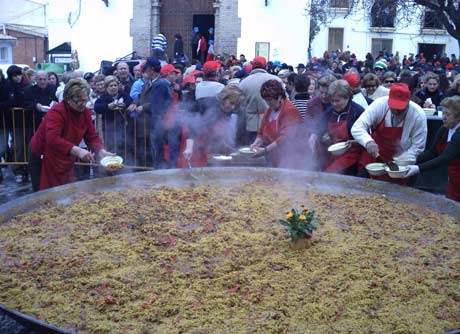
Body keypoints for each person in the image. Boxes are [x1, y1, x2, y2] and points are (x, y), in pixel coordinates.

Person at [29, 79, 114, 191]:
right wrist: (78, 151)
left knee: (65, 189)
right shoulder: (57, 112)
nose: (82, 104)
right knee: (44, 192)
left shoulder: (85, 112)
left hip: (65, 155)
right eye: (78, 101)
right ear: (68, 99)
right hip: (43, 154)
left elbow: (91, 136)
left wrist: (100, 150)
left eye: (85, 100)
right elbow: (52, 138)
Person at [351, 83, 427, 185]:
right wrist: (368, 142)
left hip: (400, 162)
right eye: (393, 106)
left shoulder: (418, 115)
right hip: (374, 155)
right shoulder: (379, 104)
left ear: (408, 101)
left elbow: (418, 146)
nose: (396, 111)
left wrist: (400, 162)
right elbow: (357, 127)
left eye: (400, 108)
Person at [405, 96, 460, 201]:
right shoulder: (444, 129)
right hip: (453, 178)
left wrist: (418, 168)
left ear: (458, 117)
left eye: (448, 114)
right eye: (443, 113)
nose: (443, 117)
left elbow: (444, 158)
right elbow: (432, 152)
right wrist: (409, 159)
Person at [180, 85, 246, 167]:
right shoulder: (209, 105)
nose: (232, 107)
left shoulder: (226, 111)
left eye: (235, 105)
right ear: (223, 98)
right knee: (189, 165)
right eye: (231, 103)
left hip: (201, 140)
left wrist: (223, 145)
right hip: (187, 138)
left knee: (201, 166)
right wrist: (189, 148)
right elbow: (192, 128)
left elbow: (216, 131)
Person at [250, 79, 309, 169]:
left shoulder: (290, 110)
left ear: (280, 97)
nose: (268, 103)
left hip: (292, 157)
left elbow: (285, 137)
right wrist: (256, 143)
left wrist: (265, 150)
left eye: (270, 100)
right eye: (266, 100)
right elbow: (261, 132)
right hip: (276, 157)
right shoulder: (269, 111)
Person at [315, 80, 364, 174]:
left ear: (347, 98)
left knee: (331, 175)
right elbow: (318, 129)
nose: (334, 104)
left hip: (353, 155)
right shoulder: (329, 112)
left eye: (337, 101)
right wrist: (319, 137)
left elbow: (369, 136)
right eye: (332, 101)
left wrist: (356, 142)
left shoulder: (357, 112)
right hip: (333, 155)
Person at [239, 56, 283, 144]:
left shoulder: (244, 82)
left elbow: (240, 105)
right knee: (270, 153)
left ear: (252, 66)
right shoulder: (276, 80)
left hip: (250, 124)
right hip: (272, 124)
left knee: (252, 152)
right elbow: (284, 102)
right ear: (265, 66)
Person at [94, 76, 133, 159]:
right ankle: (112, 168)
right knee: (111, 149)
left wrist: (125, 104)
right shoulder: (104, 97)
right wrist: (107, 106)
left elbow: (130, 101)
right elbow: (97, 107)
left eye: (115, 85)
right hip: (109, 129)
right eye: (111, 86)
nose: (113, 87)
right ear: (107, 88)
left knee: (125, 149)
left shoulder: (123, 95)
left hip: (124, 127)